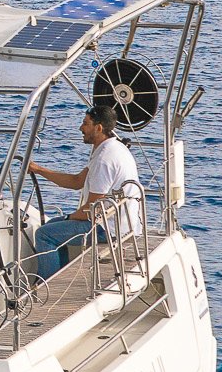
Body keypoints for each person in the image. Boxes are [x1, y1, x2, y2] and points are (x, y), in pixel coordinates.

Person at [27, 103, 144, 279]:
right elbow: (77, 182)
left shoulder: (104, 160)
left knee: (44, 235)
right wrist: (39, 170)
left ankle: (46, 284)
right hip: (120, 222)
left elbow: (92, 211)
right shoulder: (111, 148)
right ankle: (58, 276)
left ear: (98, 128)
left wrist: (69, 217)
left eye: (85, 124)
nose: (81, 128)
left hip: (107, 229)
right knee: (50, 227)